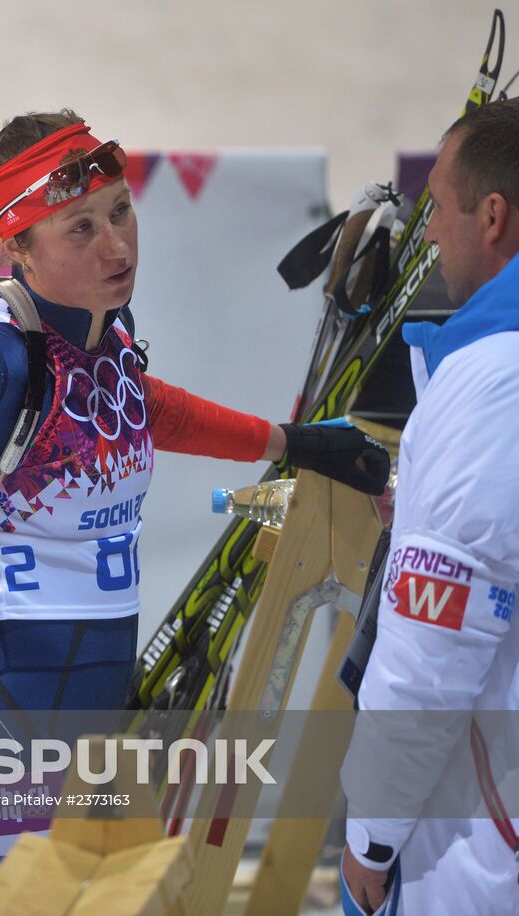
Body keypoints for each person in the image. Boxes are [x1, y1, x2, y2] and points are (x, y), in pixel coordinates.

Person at [0, 110, 390, 912]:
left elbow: (140, 407)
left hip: (79, 739)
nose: (116, 245)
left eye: (121, 211)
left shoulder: (103, 336)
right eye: (79, 227)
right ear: (19, 246)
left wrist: (289, 442)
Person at [339, 98, 519, 915]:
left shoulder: (491, 384)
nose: (431, 233)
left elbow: (430, 649)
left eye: (439, 209)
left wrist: (370, 835)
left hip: (485, 835)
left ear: (492, 215)